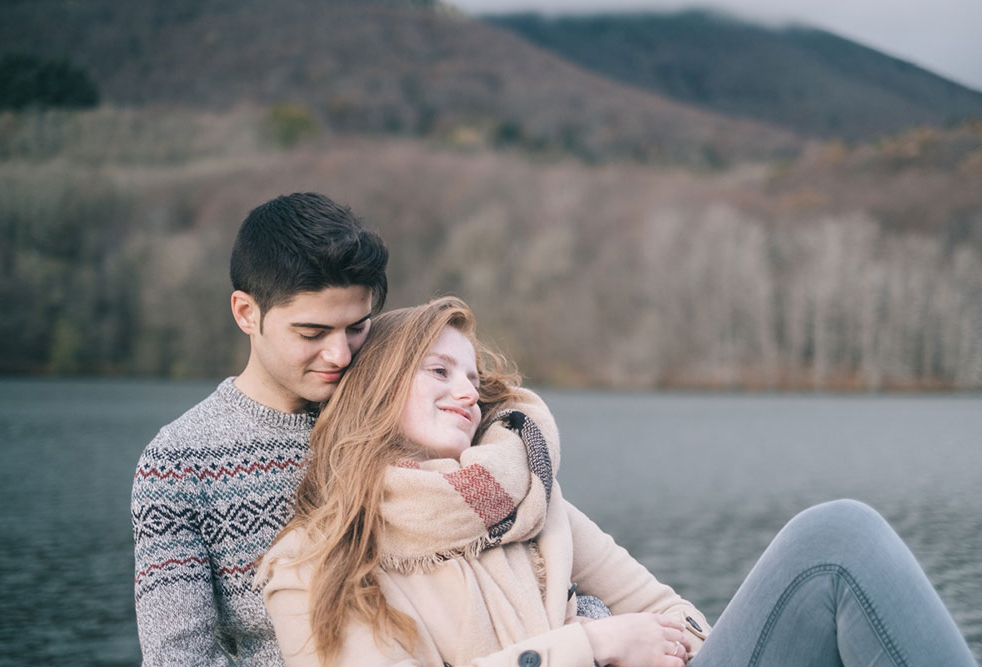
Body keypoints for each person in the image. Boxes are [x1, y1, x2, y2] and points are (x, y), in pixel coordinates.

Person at [258, 297, 978, 667]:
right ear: (379, 385)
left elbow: (675, 612)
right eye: (439, 371)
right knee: (836, 536)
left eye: (474, 378)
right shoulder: (314, 557)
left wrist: (651, 646)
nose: (467, 393)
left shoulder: (527, 498)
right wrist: (595, 646)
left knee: (835, 539)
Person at [131, 192, 389, 665]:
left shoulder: (395, 411)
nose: (341, 355)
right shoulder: (177, 464)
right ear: (247, 313)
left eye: (357, 327)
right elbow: (180, 659)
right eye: (312, 334)